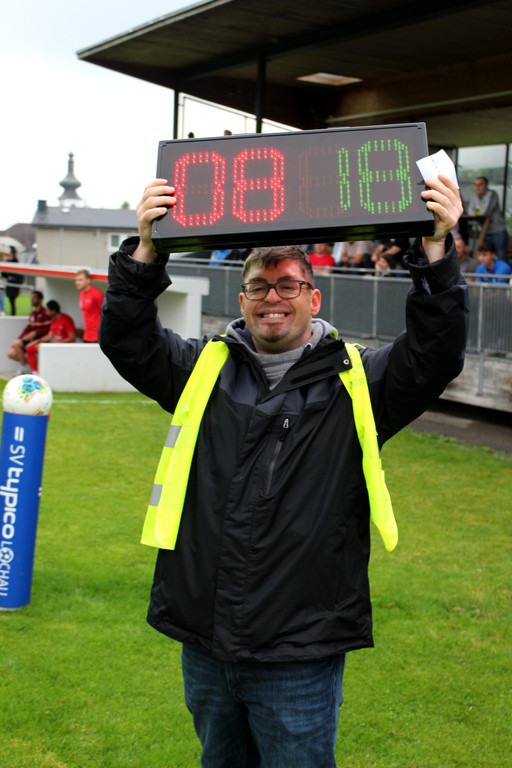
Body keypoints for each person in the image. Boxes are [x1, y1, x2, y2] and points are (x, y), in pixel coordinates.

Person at [99, 173, 468, 768]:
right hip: (207, 643)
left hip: (298, 651)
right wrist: (146, 248)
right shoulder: (201, 370)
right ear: (242, 299)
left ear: (314, 297)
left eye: (289, 285)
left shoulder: (360, 381)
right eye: (259, 287)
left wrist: (436, 249)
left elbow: (435, 353)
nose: (273, 297)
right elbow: (126, 338)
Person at [24, 300, 76, 373]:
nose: (46, 313)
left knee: (42, 351)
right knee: (29, 348)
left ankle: (41, 372)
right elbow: (50, 335)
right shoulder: (54, 320)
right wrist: (38, 341)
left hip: (64, 347)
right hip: (55, 346)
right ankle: (35, 373)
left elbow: (72, 337)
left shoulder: (66, 319)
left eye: (48, 310)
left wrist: (60, 342)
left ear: (53, 311)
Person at [6, 290, 51, 374]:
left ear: (40, 299)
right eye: (32, 297)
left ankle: (23, 367)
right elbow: (27, 329)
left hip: (38, 339)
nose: (32, 299)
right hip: (28, 340)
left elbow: (48, 329)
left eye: (34, 297)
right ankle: (30, 366)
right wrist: (20, 338)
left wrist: (36, 333)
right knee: (10, 353)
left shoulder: (45, 313)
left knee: (17, 344)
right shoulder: (33, 313)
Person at [467, 177, 509, 263]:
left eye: (480, 184)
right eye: (476, 185)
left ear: (486, 185)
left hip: (498, 231)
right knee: (485, 258)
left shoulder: (492, 194)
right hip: (485, 232)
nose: (478, 187)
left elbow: (485, 212)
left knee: (500, 257)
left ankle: (501, 276)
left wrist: (477, 213)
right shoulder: (474, 196)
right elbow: (469, 211)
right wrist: (477, 214)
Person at [74, 269, 103, 341]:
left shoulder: (96, 293)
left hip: (97, 336)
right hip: (87, 336)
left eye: (80, 280)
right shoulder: (81, 294)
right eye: (76, 280)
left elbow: (106, 313)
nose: (77, 282)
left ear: (88, 280)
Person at [1, 247, 24, 315]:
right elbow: (4, 274)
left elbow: (19, 276)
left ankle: (12, 314)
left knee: (12, 301)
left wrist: (11, 278)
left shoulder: (16, 263)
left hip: (13, 287)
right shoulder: (7, 263)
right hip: (8, 285)